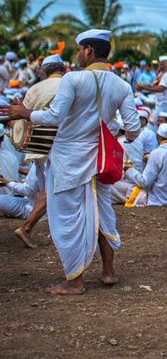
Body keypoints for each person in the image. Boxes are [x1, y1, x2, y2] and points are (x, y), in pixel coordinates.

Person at [0, 29, 140, 295]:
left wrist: (25, 113)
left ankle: (75, 281)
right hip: (100, 160)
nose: (77, 55)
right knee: (103, 214)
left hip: (69, 160)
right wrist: (109, 130)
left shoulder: (73, 79)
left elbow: (54, 116)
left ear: (88, 50)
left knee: (68, 219)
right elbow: (133, 129)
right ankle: (108, 273)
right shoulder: (121, 85)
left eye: (78, 50)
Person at [9, 54, 66, 248]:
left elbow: (21, 117)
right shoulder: (70, 85)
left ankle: (33, 228)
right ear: (64, 68)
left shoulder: (34, 89)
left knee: (49, 188)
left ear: (44, 71)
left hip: (37, 145)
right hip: (61, 144)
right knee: (53, 189)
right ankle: (27, 227)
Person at [123, 123, 167, 206]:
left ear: (158, 137)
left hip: (157, 200)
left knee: (115, 187)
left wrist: (129, 169)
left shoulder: (157, 153)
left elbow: (144, 182)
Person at [137, 55, 167, 126]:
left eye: (161, 64)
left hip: (165, 104)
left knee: (152, 124)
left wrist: (144, 88)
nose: (160, 66)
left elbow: (161, 88)